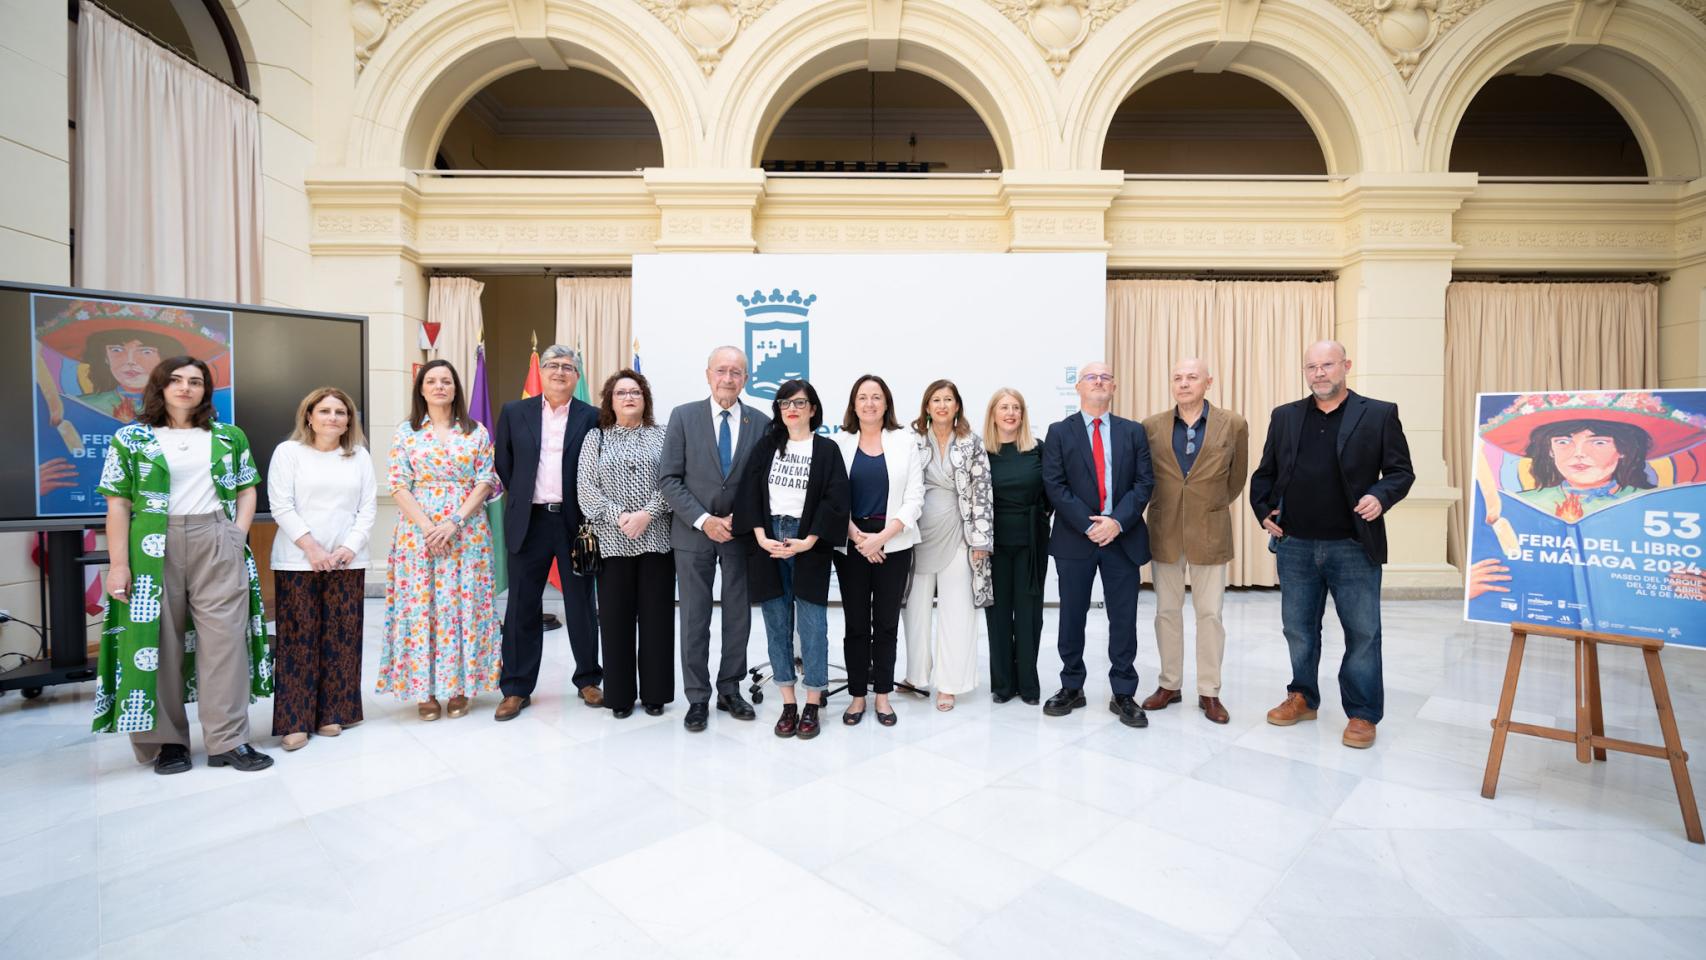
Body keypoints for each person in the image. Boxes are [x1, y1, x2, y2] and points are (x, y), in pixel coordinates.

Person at [95, 356, 273, 773]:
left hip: (216, 539)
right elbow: (118, 504)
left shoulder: (229, 437)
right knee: (157, 644)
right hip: (153, 544)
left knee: (224, 643)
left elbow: (248, 489)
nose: (185, 388)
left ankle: (228, 741)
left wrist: (236, 534)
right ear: (160, 387)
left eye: (195, 381)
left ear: (205, 391)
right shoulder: (130, 438)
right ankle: (168, 743)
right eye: (175, 380)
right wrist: (118, 566)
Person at [1250, 340, 1414, 749]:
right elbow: (1265, 473)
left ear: (1346, 366)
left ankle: (1362, 714)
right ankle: (1302, 696)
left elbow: (1400, 472)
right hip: (1296, 545)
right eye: (1311, 367)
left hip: (1353, 546)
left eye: (1327, 365)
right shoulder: (1285, 416)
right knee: (1299, 630)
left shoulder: (1378, 413)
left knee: (1363, 633)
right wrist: (1265, 510)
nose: (1319, 373)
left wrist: (1381, 496)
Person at [375, 360, 502, 721]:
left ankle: (461, 686)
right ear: (421, 388)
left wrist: (454, 522)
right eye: (432, 380)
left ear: (456, 388)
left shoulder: (475, 431)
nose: (439, 386)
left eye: (446, 380)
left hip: (467, 532)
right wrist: (429, 527)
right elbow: (398, 483)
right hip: (418, 533)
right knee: (422, 608)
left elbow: (486, 480)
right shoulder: (406, 432)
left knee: (464, 607)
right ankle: (424, 689)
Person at [658, 346, 769, 732]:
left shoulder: (761, 421)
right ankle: (697, 697)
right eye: (721, 371)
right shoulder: (683, 416)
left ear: (746, 379)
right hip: (693, 534)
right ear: (708, 375)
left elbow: (763, 483)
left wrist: (741, 519)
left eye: (736, 372)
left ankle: (729, 689)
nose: (728, 378)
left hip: (740, 536)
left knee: (738, 616)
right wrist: (705, 520)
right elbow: (669, 478)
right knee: (694, 618)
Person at [1041, 361, 1154, 728]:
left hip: (1122, 539)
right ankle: (1071, 686)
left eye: (1106, 377)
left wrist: (1116, 523)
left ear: (1114, 387)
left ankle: (1123, 692)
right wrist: (1090, 525)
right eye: (1092, 377)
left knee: (1123, 619)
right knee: (1071, 616)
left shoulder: (1133, 432)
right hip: (1076, 539)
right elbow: (1055, 486)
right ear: (1079, 387)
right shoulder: (1059, 432)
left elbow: (1144, 483)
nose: (1099, 382)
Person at [493, 344, 603, 720]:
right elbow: (505, 465)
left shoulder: (593, 416)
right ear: (541, 371)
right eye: (553, 365)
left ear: (577, 376)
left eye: (568, 367)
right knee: (522, 605)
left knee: (581, 604)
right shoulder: (514, 412)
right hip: (529, 520)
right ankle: (516, 688)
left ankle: (588, 679)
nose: (559, 372)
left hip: (575, 523)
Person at [734, 379, 848, 740]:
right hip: (768, 539)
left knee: (813, 625)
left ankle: (812, 700)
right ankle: (787, 701)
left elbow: (835, 499)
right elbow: (749, 492)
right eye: (784, 403)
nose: (792, 409)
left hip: (808, 540)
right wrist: (760, 536)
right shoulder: (766, 446)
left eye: (799, 403)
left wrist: (809, 540)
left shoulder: (826, 450)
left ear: (813, 409)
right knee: (776, 623)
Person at [1140, 359, 1248, 725]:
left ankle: (1209, 691)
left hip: (1210, 530)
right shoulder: (1151, 426)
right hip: (1164, 530)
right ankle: (1169, 684)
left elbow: (1236, 480)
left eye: (1191, 378)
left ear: (1208, 383)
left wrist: (1208, 507)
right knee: (1166, 613)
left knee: (1210, 615)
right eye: (1177, 378)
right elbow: (1146, 477)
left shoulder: (1232, 424)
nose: (1184, 384)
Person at [268, 387, 376, 751]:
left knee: (342, 639)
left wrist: (347, 548)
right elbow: (280, 504)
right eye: (325, 411)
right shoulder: (289, 453)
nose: (333, 418)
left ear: (349, 420)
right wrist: (312, 549)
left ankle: (333, 711)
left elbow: (367, 508)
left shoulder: (359, 456)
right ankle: (294, 720)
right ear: (309, 416)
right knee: (297, 641)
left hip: (347, 560)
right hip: (298, 560)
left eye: (341, 412)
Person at [578, 370, 675, 719]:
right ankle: (619, 696)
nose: (629, 397)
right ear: (610, 400)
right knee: (616, 622)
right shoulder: (596, 439)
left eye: (635, 392)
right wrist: (621, 516)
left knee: (657, 621)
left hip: (657, 541)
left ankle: (656, 694)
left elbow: (673, 481)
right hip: (612, 541)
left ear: (645, 398)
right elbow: (586, 488)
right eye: (621, 393)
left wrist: (647, 514)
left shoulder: (663, 436)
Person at [833, 374, 924, 726]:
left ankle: (883, 696)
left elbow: (915, 497)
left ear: (886, 404)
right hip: (852, 542)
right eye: (862, 397)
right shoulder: (839, 444)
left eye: (876, 397)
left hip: (894, 543)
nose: (869, 403)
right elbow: (832, 498)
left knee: (886, 623)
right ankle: (857, 697)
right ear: (853, 405)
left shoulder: (905, 442)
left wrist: (882, 536)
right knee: (856, 623)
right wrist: (859, 538)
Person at [901, 379, 994, 712]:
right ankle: (915, 676)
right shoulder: (912, 441)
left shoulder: (971, 443)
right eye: (935, 400)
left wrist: (982, 540)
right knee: (915, 610)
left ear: (957, 406)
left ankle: (950, 684)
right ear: (927, 406)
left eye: (948, 399)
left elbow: (983, 491)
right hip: (917, 535)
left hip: (960, 532)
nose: (942, 405)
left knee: (957, 610)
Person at [982, 388, 1050, 706]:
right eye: (1004, 407)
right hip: (992, 546)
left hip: (1031, 544)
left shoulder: (1037, 448)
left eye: (1016, 408)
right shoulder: (981, 453)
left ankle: (1029, 684)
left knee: (1029, 615)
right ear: (993, 414)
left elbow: (1052, 492)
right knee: (998, 616)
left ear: (1023, 415)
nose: (1010, 413)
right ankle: (1004, 684)